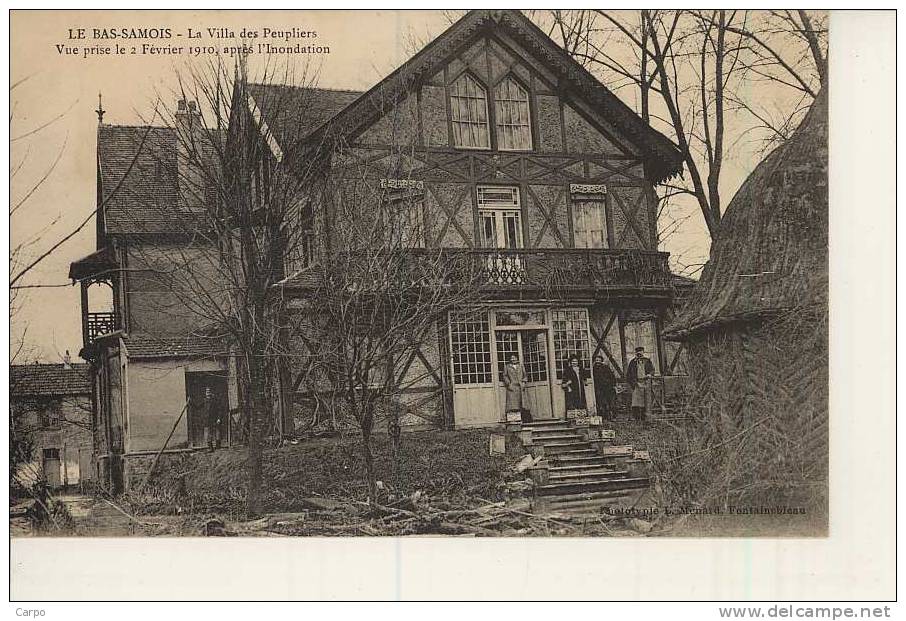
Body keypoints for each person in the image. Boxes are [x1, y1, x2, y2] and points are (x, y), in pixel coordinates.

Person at [626, 346, 656, 421]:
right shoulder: (632, 362)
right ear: (636, 353)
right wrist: (634, 383)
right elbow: (629, 374)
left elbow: (652, 370)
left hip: (646, 383)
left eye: (641, 352)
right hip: (636, 384)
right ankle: (636, 417)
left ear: (643, 352)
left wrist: (650, 374)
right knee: (636, 401)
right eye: (638, 352)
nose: (639, 353)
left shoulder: (647, 361)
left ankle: (645, 417)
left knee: (646, 401)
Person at [502, 354, 530, 422]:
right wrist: (509, 384)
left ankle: (524, 419)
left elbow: (525, 375)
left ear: (517, 358)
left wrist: (523, 382)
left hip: (520, 387)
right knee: (513, 404)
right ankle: (515, 419)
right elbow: (505, 376)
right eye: (511, 358)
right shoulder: (507, 367)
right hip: (512, 387)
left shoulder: (521, 366)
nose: (513, 359)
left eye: (514, 358)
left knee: (522, 403)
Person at [592, 354, 617, 420]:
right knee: (602, 402)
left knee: (611, 402)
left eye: (599, 360)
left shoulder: (606, 367)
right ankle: (604, 416)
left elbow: (612, 376)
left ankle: (612, 416)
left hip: (608, 387)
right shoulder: (592, 369)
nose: (598, 362)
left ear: (601, 361)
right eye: (596, 360)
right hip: (599, 388)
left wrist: (613, 385)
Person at [202, 386, 223, 451]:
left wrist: (219, 418)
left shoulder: (214, 400)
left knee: (217, 431)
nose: (208, 393)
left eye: (209, 391)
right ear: (205, 393)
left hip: (214, 419)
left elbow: (219, 409)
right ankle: (210, 448)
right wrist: (191, 402)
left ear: (211, 392)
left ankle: (218, 446)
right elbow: (198, 407)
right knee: (208, 433)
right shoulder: (204, 400)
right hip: (207, 420)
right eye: (207, 391)